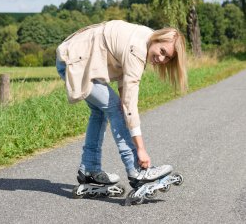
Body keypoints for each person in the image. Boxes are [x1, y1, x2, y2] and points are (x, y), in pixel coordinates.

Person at [56, 20, 187, 188]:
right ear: (157, 38)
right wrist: (141, 149)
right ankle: (136, 170)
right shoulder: (137, 50)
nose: (161, 59)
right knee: (115, 108)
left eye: (167, 57)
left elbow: (125, 89)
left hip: (74, 58)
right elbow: (129, 105)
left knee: (101, 112)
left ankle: (89, 169)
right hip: (73, 62)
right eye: (162, 51)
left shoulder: (144, 37)